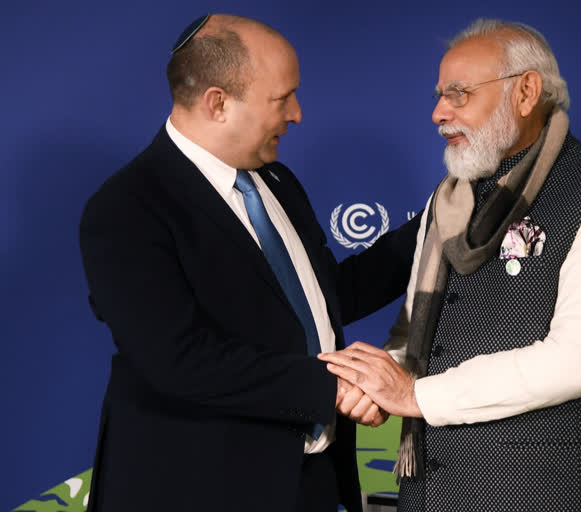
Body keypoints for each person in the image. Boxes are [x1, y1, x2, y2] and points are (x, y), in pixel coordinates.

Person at [79, 14, 419, 512]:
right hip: (199, 490)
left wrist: (436, 224)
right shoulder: (126, 208)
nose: (298, 113)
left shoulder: (277, 181)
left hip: (307, 484)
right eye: (282, 99)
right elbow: (179, 360)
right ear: (218, 103)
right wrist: (337, 388)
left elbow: (323, 299)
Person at [319, 18, 581, 511]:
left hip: (551, 494)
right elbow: (421, 329)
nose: (437, 112)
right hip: (434, 490)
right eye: (438, 94)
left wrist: (415, 396)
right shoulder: (447, 200)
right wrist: (381, 382)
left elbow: (578, 358)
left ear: (526, 92)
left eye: (458, 94)